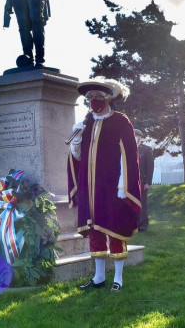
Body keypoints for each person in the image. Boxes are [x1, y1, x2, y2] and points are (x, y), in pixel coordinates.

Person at [67, 78, 141, 292]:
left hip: (113, 186)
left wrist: (123, 186)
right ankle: (99, 277)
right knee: (95, 230)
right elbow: (77, 157)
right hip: (90, 187)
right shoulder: (85, 122)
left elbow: (127, 155)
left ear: (108, 98)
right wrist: (77, 139)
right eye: (90, 98)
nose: (93, 101)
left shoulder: (121, 121)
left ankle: (118, 278)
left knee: (115, 229)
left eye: (98, 97)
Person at [134, 129, 154, 232]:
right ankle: (134, 225)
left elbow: (150, 167)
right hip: (131, 182)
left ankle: (143, 225)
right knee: (133, 202)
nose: (135, 137)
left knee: (142, 203)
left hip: (142, 181)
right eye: (133, 135)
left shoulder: (146, 149)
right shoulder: (129, 149)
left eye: (137, 135)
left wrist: (148, 182)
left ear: (141, 137)